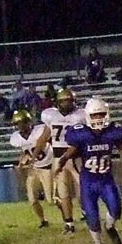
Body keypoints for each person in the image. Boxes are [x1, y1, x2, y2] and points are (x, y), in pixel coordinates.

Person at [56, 98, 122, 244]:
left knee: (116, 209)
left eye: (101, 114)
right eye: (95, 115)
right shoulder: (81, 134)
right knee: (92, 216)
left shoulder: (112, 132)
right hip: (88, 181)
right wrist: (62, 162)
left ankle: (109, 226)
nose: (99, 118)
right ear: (88, 116)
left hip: (106, 179)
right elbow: (71, 151)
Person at [40, 88, 87, 233]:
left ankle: (87, 212)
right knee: (63, 192)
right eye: (64, 101)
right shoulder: (51, 116)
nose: (66, 104)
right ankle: (69, 223)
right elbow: (44, 136)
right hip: (58, 157)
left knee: (83, 191)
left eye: (69, 100)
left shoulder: (81, 115)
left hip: (76, 156)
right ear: (58, 102)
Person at [9, 109, 59, 228]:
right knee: (32, 199)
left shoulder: (39, 131)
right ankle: (43, 221)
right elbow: (26, 152)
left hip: (47, 167)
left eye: (23, 123)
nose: (21, 126)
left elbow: (45, 143)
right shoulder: (16, 137)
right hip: (35, 168)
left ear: (28, 122)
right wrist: (22, 160)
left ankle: (66, 214)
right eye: (18, 124)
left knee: (51, 200)